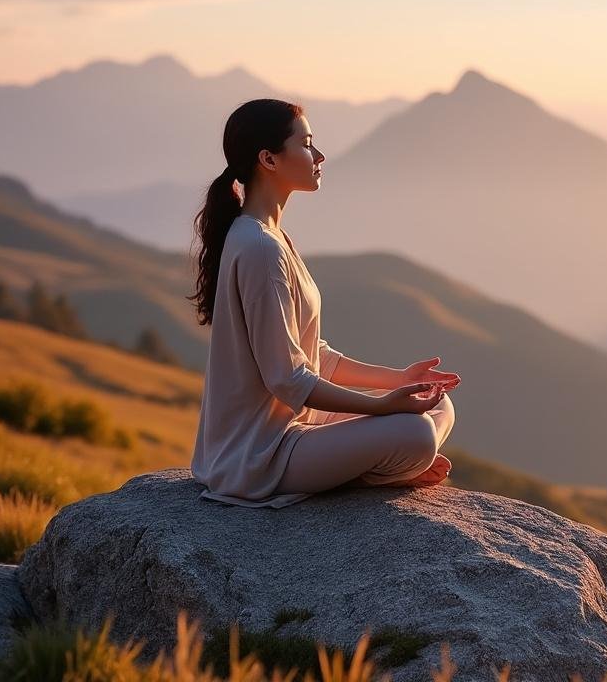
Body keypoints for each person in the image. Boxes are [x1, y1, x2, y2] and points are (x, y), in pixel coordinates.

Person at [187, 98, 460, 507]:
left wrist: (399, 380)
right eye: (307, 143)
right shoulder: (260, 248)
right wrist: (380, 407)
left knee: (438, 407)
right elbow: (289, 379)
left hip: (293, 427)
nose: (319, 155)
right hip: (257, 457)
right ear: (269, 159)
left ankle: (378, 467)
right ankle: (373, 477)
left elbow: (314, 355)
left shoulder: (271, 237)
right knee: (416, 433)